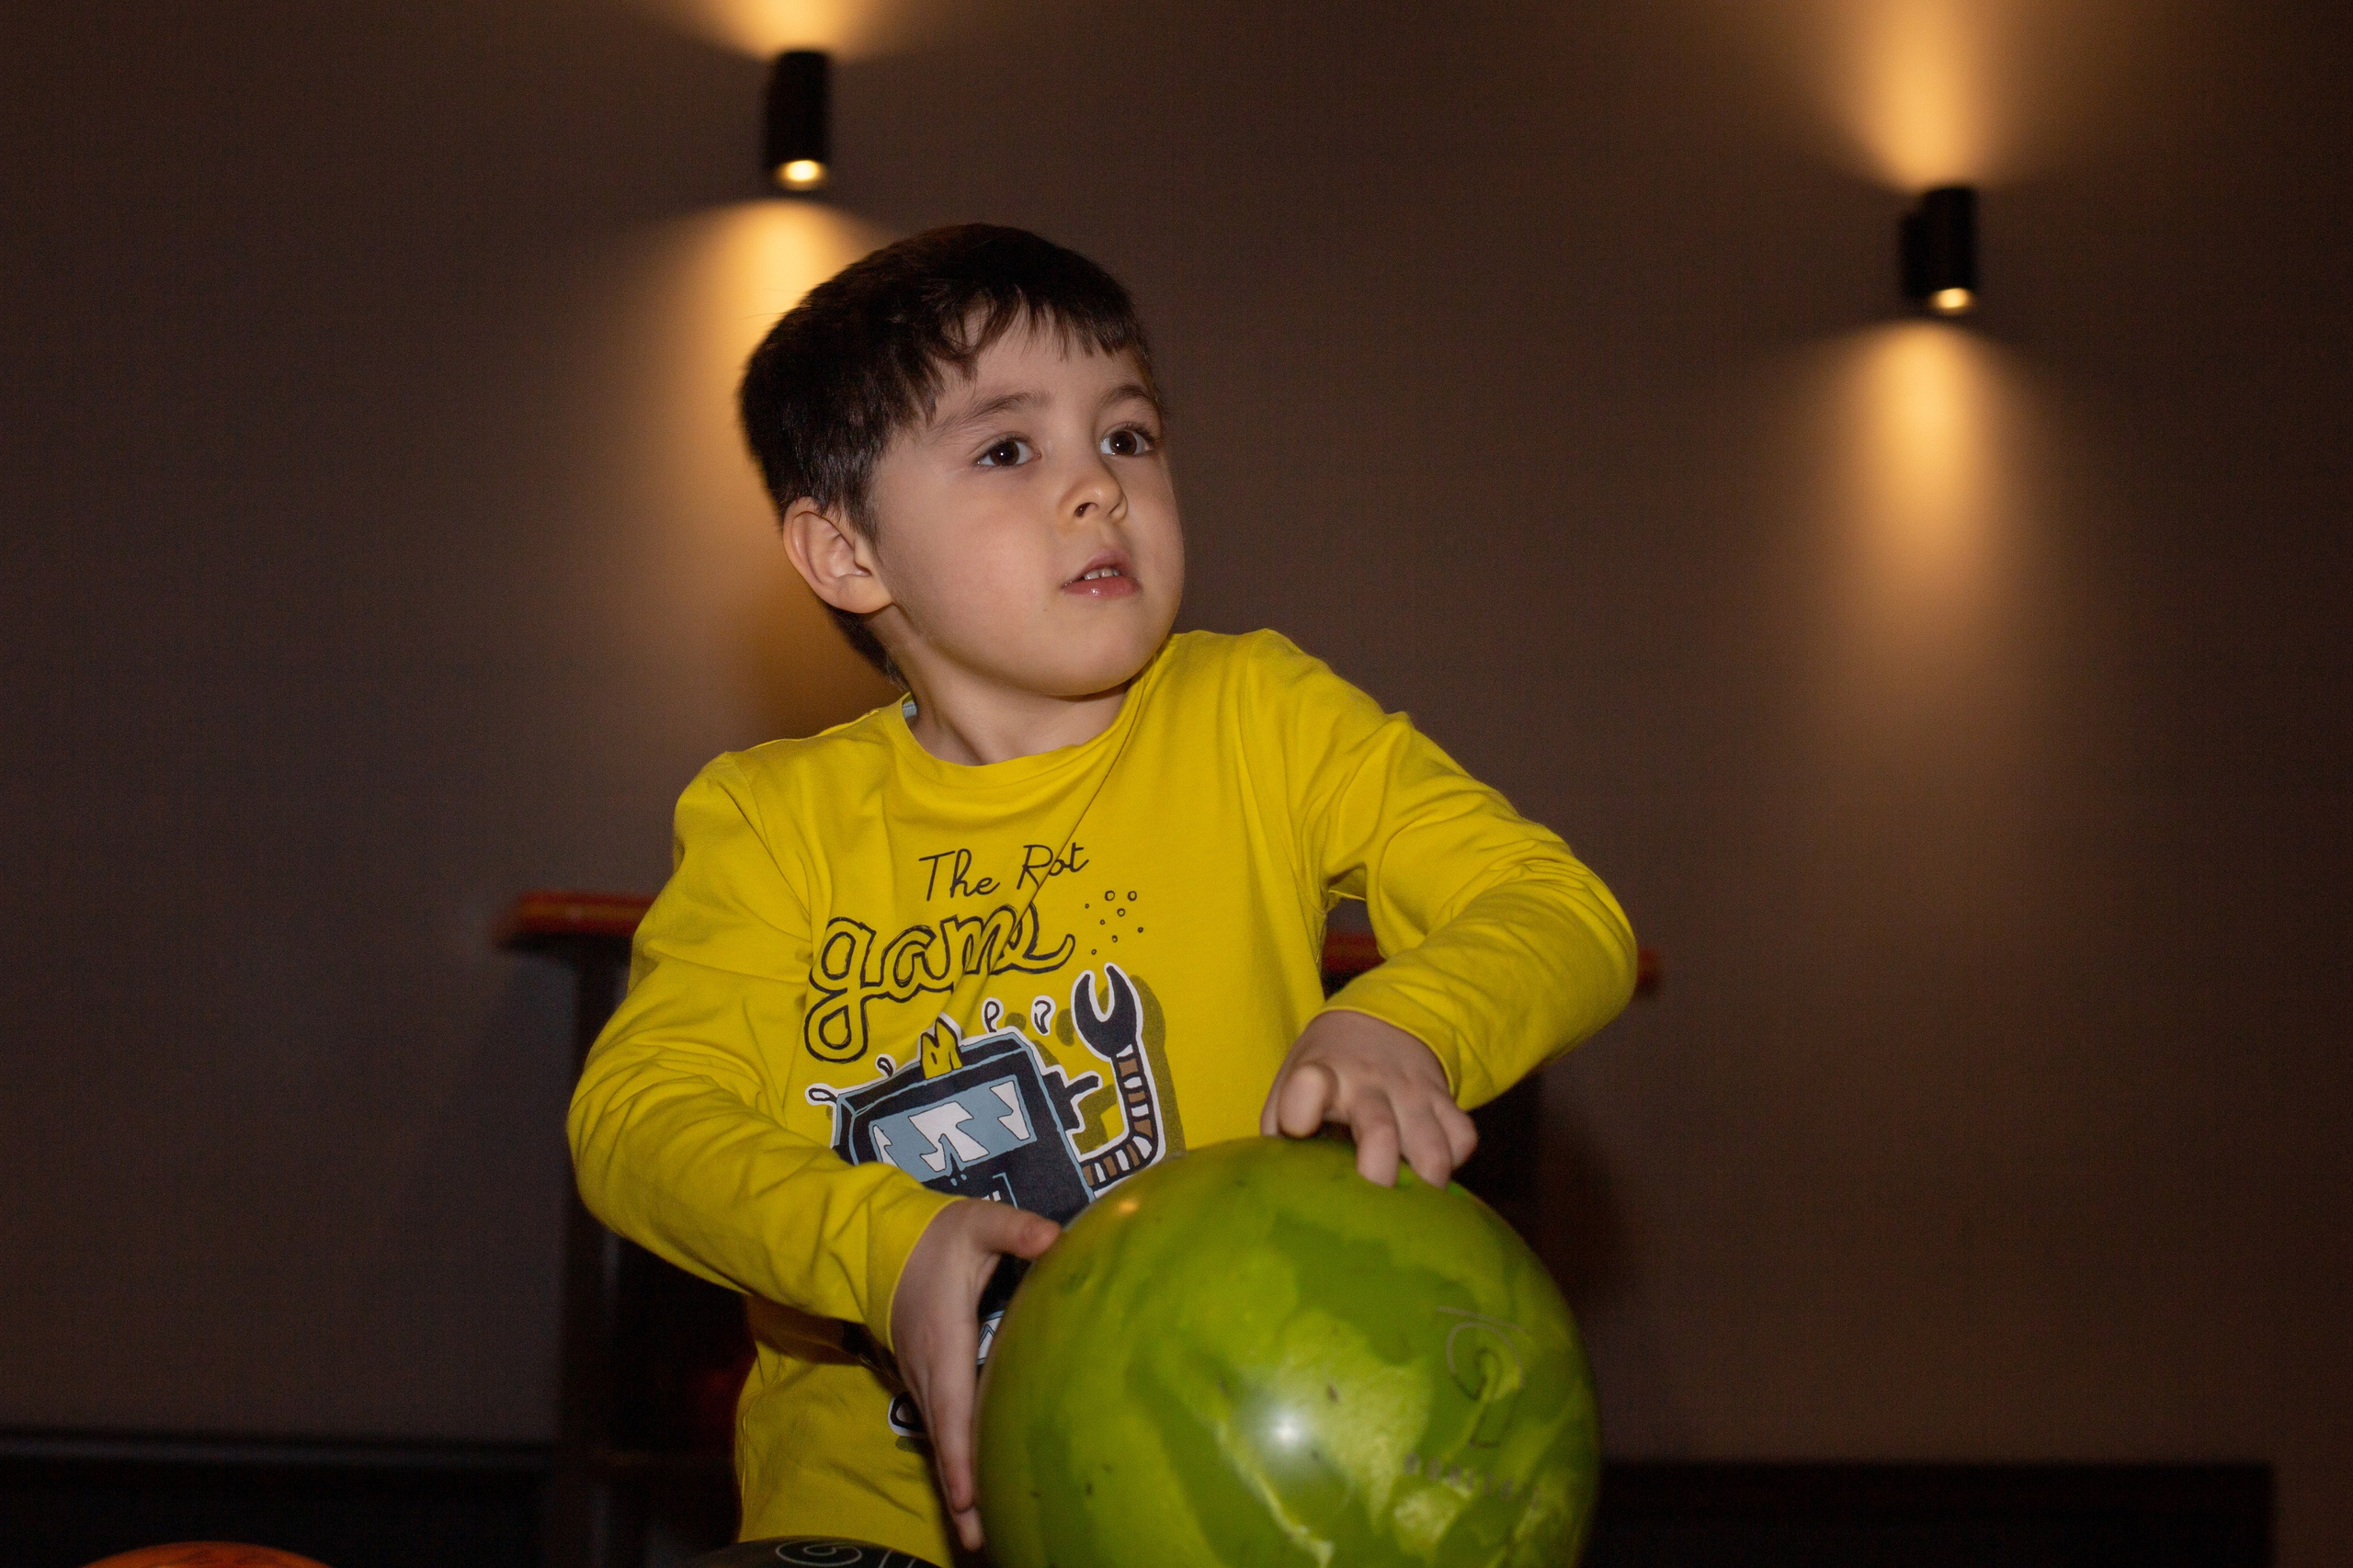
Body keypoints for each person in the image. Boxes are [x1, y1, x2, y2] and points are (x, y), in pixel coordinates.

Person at [566, 224, 1636, 1563]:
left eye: (1126, 436)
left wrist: (1408, 1017)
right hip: (877, 1526)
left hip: (1240, 1498)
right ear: (846, 554)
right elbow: (635, 1121)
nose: (1098, 490)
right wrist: (883, 1244)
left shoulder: (1258, 715)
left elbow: (1559, 905)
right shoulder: (772, 821)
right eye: (1009, 449)